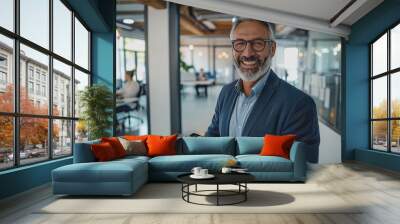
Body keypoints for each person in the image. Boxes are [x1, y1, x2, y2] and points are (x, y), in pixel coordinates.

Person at [205, 18, 320, 163]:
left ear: (272, 49)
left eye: (257, 43)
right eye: (240, 43)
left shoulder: (299, 104)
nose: (247, 53)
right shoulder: (226, 92)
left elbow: (300, 165)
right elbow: (213, 138)